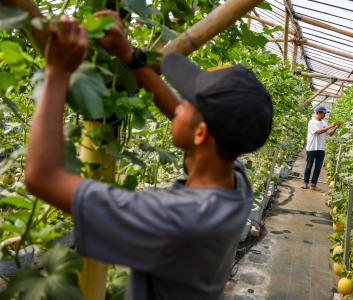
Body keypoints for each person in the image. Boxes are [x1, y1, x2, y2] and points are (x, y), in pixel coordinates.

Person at [24, 11, 273, 299]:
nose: (176, 106)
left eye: (186, 102)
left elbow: (42, 177)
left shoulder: (174, 219)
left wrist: (57, 71)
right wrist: (130, 56)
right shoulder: (234, 183)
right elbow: (182, 115)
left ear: (201, 134)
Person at [301, 106, 340, 192]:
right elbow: (318, 132)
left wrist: (335, 127)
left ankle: (313, 185)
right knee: (309, 166)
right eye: (324, 113)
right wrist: (330, 126)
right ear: (318, 113)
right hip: (311, 148)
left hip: (321, 149)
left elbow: (330, 134)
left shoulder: (324, 123)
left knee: (318, 168)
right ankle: (305, 183)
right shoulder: (312, 122)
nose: (325, 115)